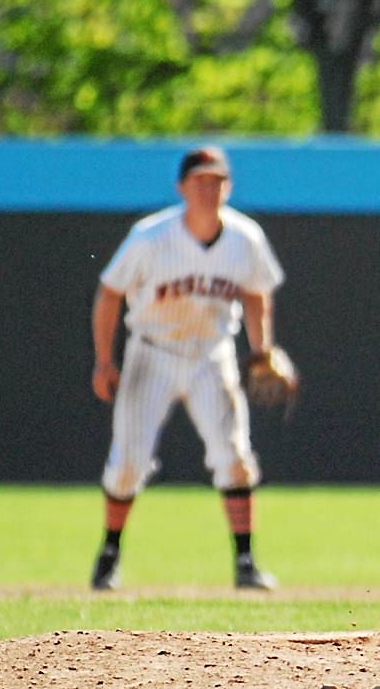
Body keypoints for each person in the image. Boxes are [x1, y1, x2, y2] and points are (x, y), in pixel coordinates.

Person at [89, 145, 284, 591]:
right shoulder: (149, 237)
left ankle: (246, 563)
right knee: (127, 464)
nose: (208, 189)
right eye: (199, 181)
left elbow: (256, 294)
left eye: (216, 181)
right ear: (181, 187)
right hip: (151, 352)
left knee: (234, 457)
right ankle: (109, 556)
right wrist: (104, 359)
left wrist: (262, 349)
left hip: (211, 354)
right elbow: (109, 292)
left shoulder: (244, 237)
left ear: (227, 186)